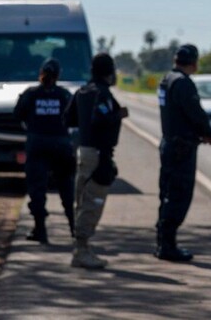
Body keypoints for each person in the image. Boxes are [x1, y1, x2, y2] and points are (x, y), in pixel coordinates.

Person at [64, 53, 128, 269]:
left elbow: (68, 118)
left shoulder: (82, 91)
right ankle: (81, 250)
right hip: (98, 153)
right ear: (109, 72)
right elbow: (100, 119)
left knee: (82, 200)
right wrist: (118, 115)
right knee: (93, 201)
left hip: (84, 150)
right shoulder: (102, 93)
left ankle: (82, 248)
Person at [155, 44, 211, 262]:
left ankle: (163, 241)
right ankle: (167, 246)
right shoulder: (183, 83)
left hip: (169, 144)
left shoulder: (166, 79)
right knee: (179, 196)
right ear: (194, 62)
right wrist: (208, 132)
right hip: (182, 147)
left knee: (167, 194)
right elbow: (195, 112)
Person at [14, 58, 75, 244]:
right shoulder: (64, 95)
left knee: (37, 189)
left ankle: (40, 229)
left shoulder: (31, 94)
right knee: (66, 188)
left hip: (37, 144)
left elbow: (18, 114)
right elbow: (74, 118)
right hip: (61, 145)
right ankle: (75, 229)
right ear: (58, 75)